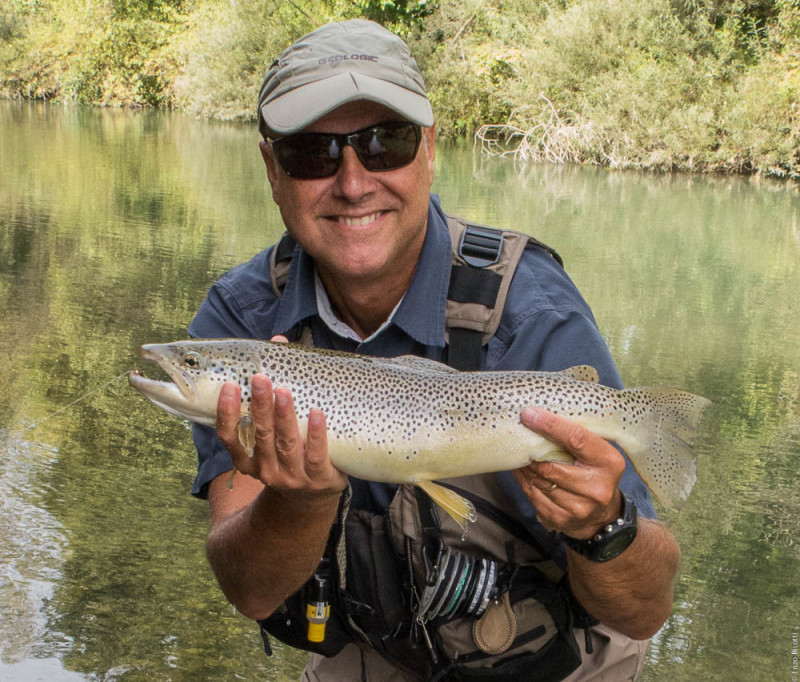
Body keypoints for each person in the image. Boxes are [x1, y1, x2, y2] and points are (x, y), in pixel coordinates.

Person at [188, 18, 680, 681]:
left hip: (550, 661)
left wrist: (603, 525)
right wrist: (298, 502)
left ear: (428, 149)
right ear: (272, 170)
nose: (353, 182)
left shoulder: (530, 308)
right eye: (312, 153)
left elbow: (644, 611)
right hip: (379, 648)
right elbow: (250, 591)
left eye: (384, 143)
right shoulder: (244, 323)